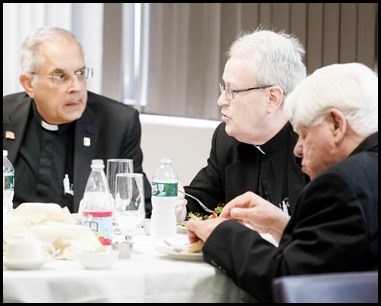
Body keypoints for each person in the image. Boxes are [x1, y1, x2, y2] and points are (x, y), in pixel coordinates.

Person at [186, 62, 378, 302]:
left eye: (305, 135)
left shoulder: (342, 183)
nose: (297, 149)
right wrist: (283, 225)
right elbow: (338, 258)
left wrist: (223, 234)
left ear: (336, 125)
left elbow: (290, 283)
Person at [3, 26, 152, 217]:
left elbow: (139, 209)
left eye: (80, 73)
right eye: (60, 76)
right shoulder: (6, 114)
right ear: (29, 84)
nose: (76, 87)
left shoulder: (117, 124)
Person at [176, 28, 310, 221]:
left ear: (272, 98)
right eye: (224, 88)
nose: (221, 100)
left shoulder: (312, 146)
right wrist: (179, 209)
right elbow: (201, 199)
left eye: (232, 91)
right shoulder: (227, 138)